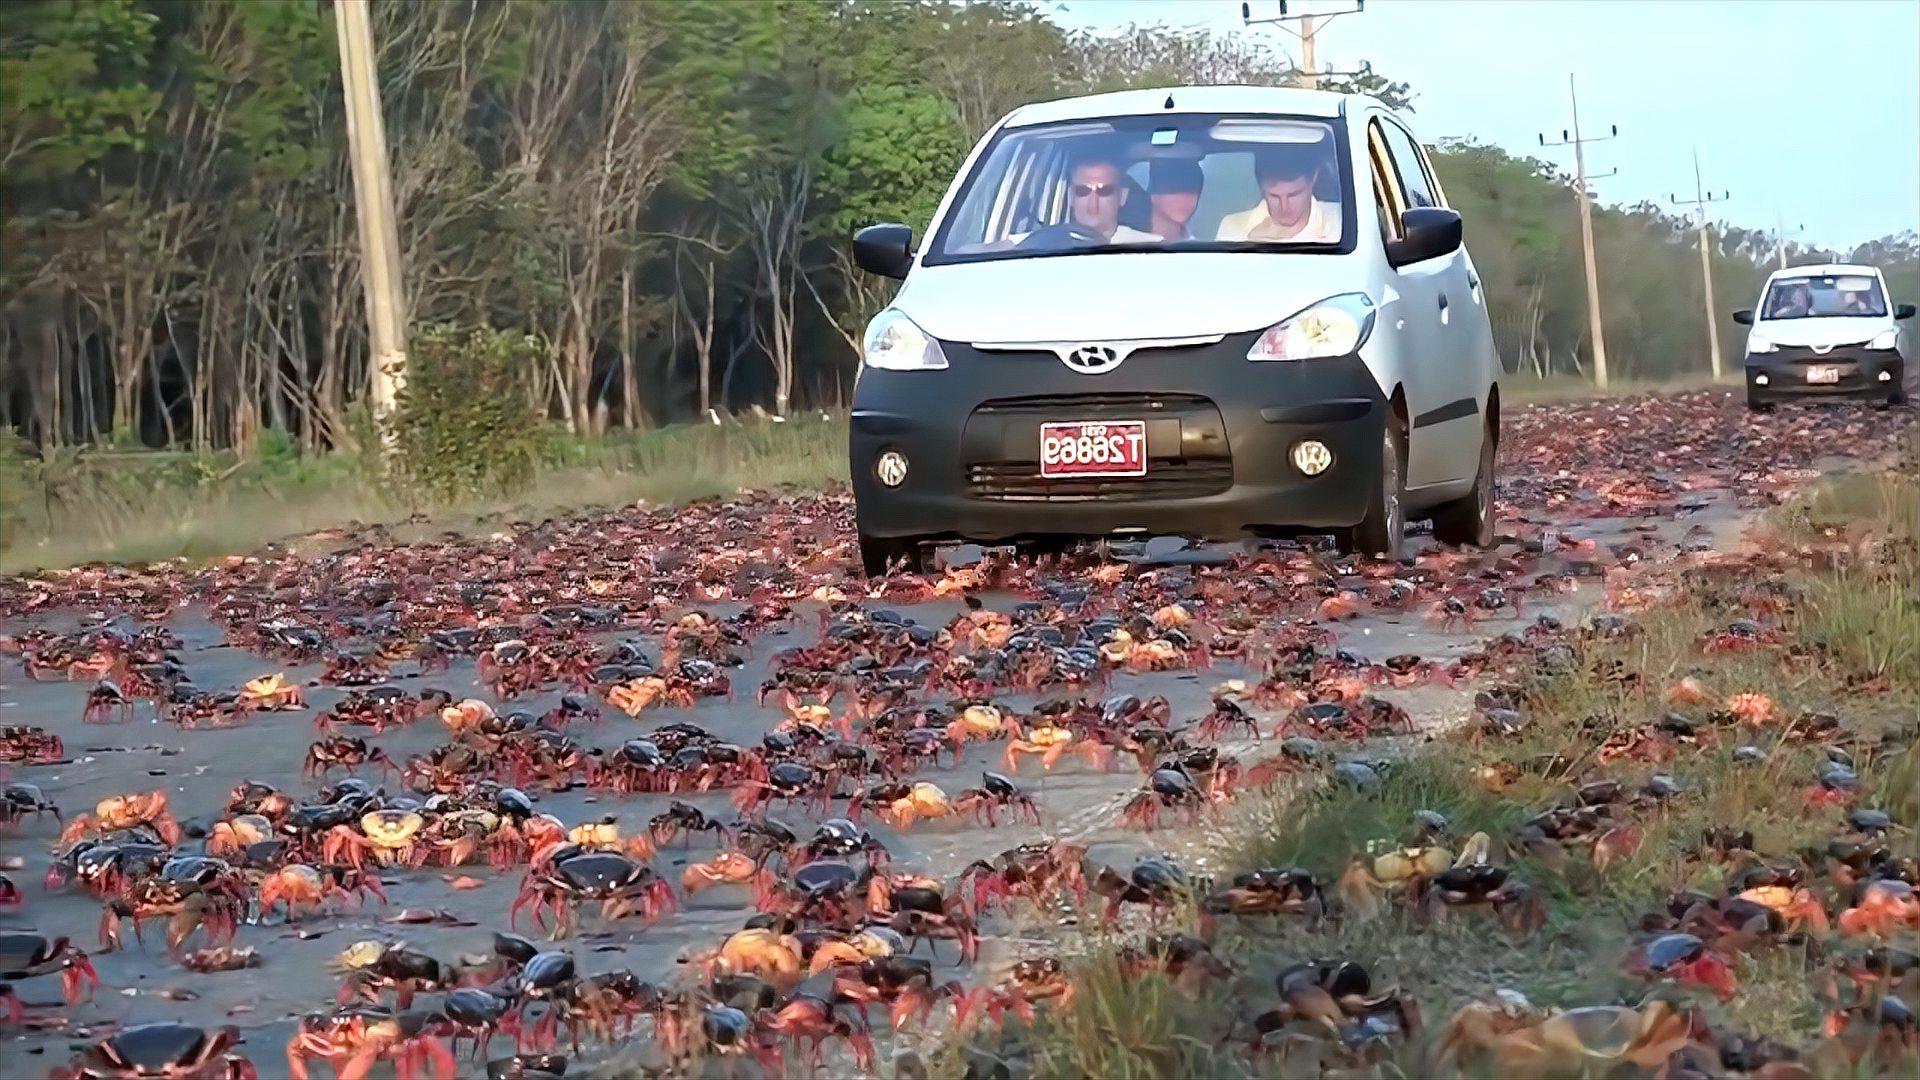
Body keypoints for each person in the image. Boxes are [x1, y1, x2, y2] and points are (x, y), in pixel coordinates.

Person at [1215, 143, 1340, 243]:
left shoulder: (1339, 221)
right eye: (1274, 196)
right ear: (1261, 188)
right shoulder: (1232, 228)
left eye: (1293, 195)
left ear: (1314, 178)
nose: (1284, 208)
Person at [1061, 156, 1160, 244]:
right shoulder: (1050, 245)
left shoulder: (1151, 248)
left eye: (1104, 191)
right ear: (1071, 196)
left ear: (1122, 197)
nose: (1093, 204)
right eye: (1082, 190)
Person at [1146, 159, 1204, 242]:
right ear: (1152, 191)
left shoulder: (1203, 251)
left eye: (1192, 189)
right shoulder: (1125, 244)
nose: (1184, 197)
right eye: (1174, 188)